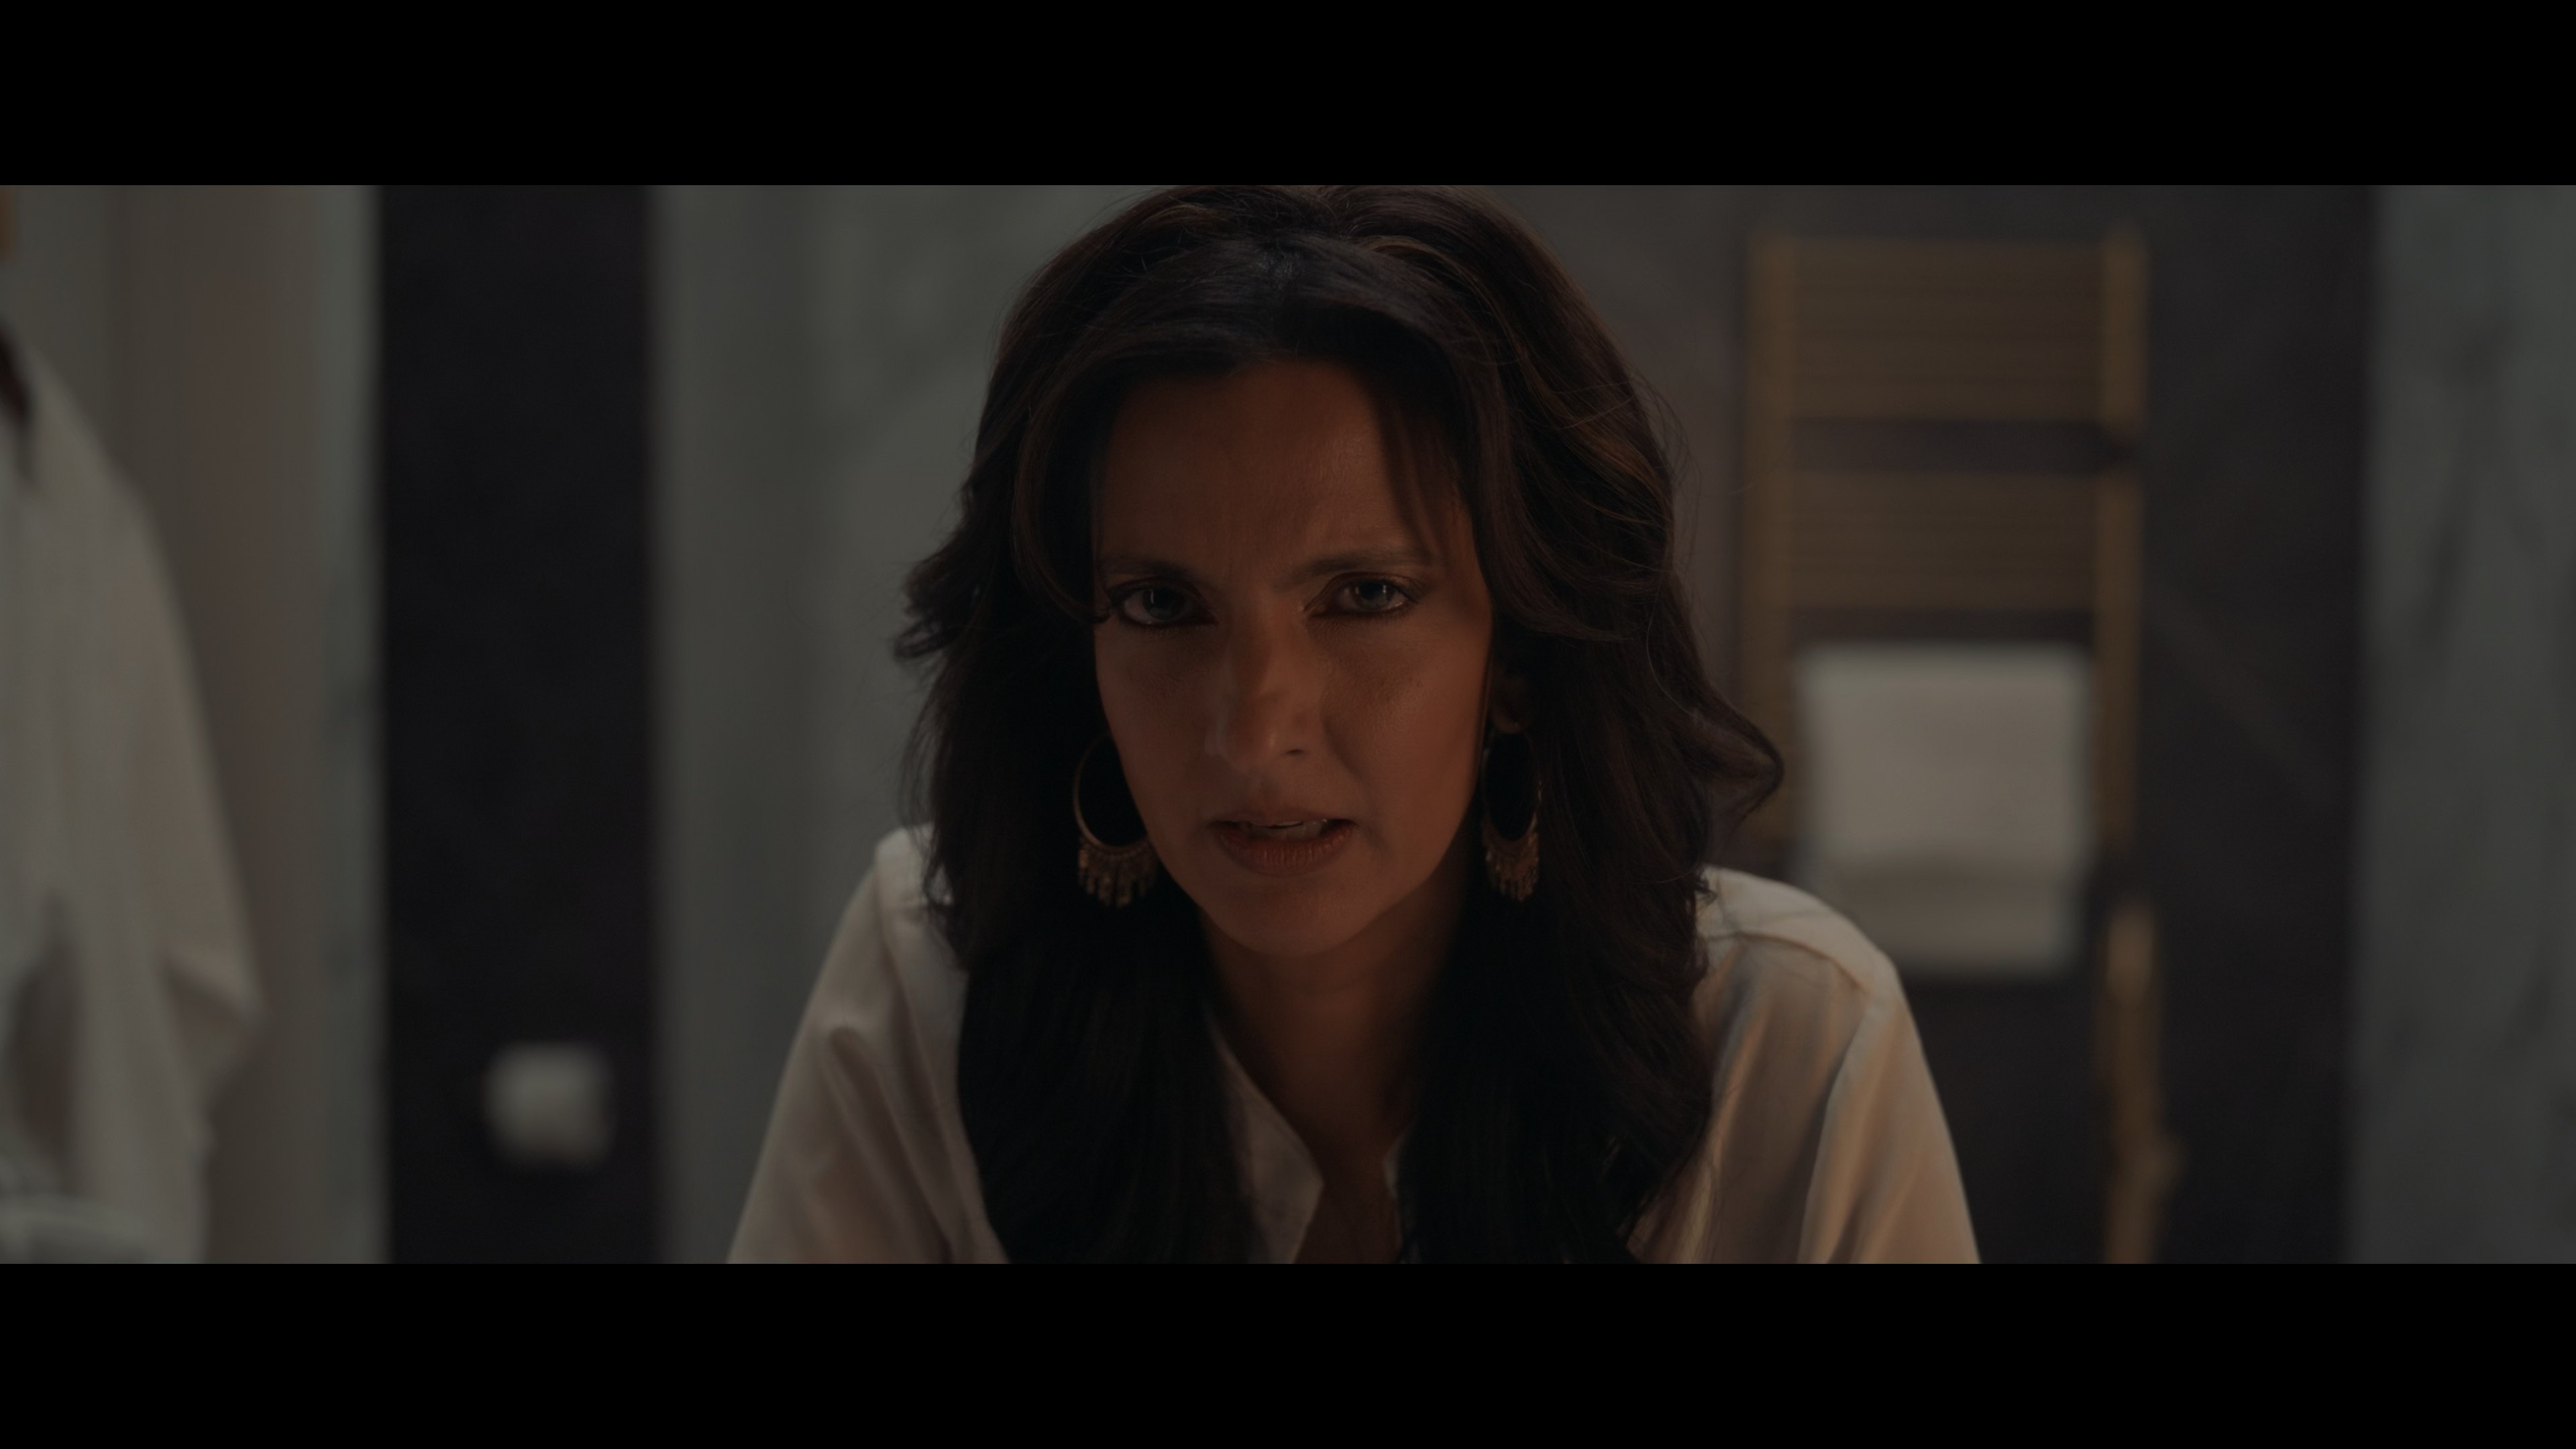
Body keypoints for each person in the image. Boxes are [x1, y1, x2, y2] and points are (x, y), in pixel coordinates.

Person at [733, 186, 1975, 1262]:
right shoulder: (932, 988)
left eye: (1366, 597)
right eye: (1162, 604)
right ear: (1082, 652)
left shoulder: (1793, 1052)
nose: (1254, 735)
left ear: (1519, 658)